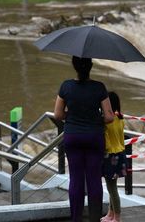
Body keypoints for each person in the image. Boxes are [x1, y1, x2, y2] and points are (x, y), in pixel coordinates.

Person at [54, 56, 114, 222]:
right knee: (94, 178)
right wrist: (93, 119)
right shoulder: (99, 87)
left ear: (74, 65)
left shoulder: (66, 86)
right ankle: (95, 218)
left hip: (73, 136)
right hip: (94, 137)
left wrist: (73, 117)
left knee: (76, 178)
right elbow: (109, 117)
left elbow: (58, 114)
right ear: (91, 66)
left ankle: (76, 219)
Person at [101, 91, 127, 222]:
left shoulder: (106, 121)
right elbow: (122, 140)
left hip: (110, 156)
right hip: (121, 154)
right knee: (112, 186)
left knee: (112, 188)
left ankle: (117, 217)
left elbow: (106, 142)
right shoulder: (120, 119)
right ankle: (110, 214)